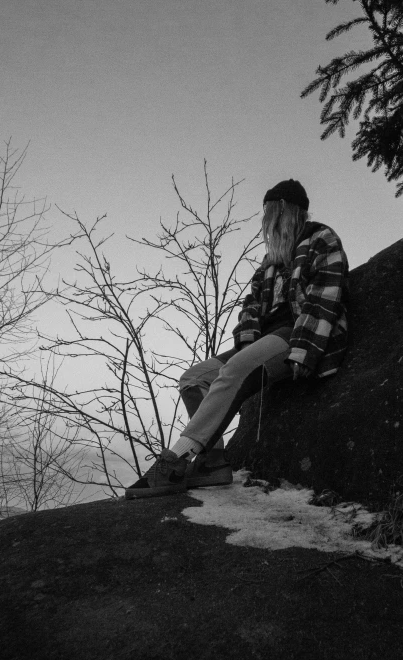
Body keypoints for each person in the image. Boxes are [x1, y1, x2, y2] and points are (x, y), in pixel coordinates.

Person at [125, 179, 349, 499]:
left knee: (236, 369)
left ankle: (174, 462)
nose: (267, 220)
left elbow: (325, 299)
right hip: (268, 338)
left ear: (287, 210)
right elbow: (251, 303)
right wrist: (247, 338)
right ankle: (212, 463)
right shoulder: (271, 259)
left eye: (271, 212)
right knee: (194, 378)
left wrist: (303, 352)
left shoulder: (321, 239)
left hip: (298, 335)